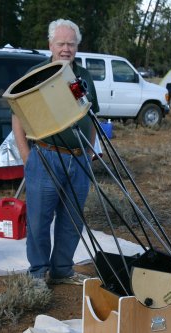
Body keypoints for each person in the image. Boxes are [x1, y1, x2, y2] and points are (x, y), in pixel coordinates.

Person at [12, 19, 99, 286]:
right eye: (61, 43)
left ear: (77, 47)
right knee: (39, 219)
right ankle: (38, 272)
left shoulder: (82, 76)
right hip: (46, 156)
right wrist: (27, 156)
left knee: (72, 218)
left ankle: (62, 269)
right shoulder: (36, 74)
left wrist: (89, 151)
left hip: (78, 158)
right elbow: (18, 117)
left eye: (71, 44)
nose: (66, 49)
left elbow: (91, 115)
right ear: (50, 44)